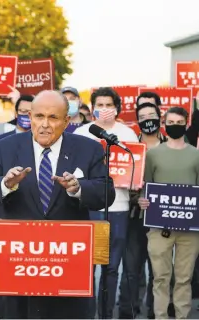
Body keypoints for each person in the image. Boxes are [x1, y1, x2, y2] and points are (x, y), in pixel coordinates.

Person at [0, 90, 116, 319]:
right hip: (18, 267)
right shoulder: (5, 147)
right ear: (30, 117)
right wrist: (5, 184)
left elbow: (106, 194)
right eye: (39, 116)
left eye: (53, 117)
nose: (45, 125)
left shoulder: (88, 148)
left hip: (68, 267)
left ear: (66, 121)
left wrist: (78, 188)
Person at [74, 87, 139, 318]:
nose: (104, 109)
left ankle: (106, 313)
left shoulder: (128, 134)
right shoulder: (82, 133)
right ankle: (87, 313)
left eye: (108, 105)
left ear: (117, 108)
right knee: (87, 267)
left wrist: (133, 180)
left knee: (112, 268)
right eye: (99, 105)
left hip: (119, 207)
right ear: (92, 108)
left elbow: (135, 166)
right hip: (89, 207)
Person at [138, 107, 199, 319]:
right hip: (158, 226)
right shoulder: (153, 154)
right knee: (160, 277)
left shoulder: (196, 155)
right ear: (164, 124)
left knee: (184, 277)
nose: (175, 125)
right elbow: (144, 186)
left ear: (186, 123)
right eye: (170, 121)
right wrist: (142, 200)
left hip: (189, 228)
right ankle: (161, 316)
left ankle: (182, 316)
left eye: (179, 121)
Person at [118, 93, 166, 319]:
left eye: (152, 115)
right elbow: (122, 179)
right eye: (143, 116)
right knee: (131, 267)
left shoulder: (173, 145)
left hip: (164, 217)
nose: (148, 119)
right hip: (135, 216)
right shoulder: (130, 148)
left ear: (160, 117)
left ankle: (156, 311)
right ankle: (128, 310)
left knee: (160, 269)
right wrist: (137, 197)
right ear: (137, 121)